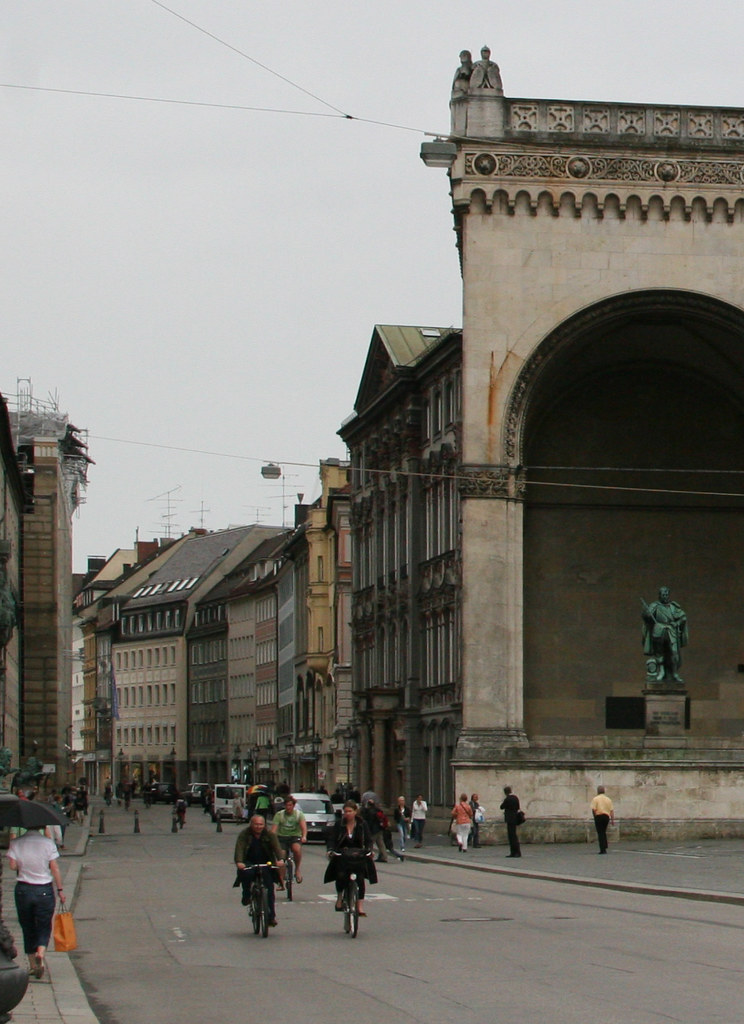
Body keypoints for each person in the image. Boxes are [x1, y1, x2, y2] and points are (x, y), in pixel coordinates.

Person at [6, 825, 66, 979]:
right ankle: (41, 952)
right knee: (44, 925)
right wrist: (60, 890)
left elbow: (12, 866)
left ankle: (32, 964)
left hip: (24, 889)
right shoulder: (48, 843)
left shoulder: (17, 842)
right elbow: (55, 867)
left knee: (27, 926)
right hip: (44, 890)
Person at [324, 800, 377, 917]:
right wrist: (330, 850)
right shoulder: (339, 824)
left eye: (350, 811)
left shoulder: (362, 824)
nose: (347, 814)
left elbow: (368, 840)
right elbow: (332, 839)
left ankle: (360, 906)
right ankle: (339, 898)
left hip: (358, 855)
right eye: (345, 811)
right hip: (342, 854)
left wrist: (369, 850)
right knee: (341, 876)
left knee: (360, 879)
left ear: (355, 812)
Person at [234, 814, 284, 927]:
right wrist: (239, 862)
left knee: (270, 889)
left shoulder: (269, 835)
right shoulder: (244, 834)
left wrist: (280, 859)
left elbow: (277, 847)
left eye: (261, 824)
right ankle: (246, 895)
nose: (258, 827)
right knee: (247, 874)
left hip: (266, 863)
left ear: (264, 825)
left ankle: (271, 917)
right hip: (249, 862)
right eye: (256, 824)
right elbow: (240, 848)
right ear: (251, 824)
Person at [642, 586, 688, 684]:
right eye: (663, 594)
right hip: (658, 630)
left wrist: (677, 623)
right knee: (659, 652)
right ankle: (661, 671)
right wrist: (647, 614)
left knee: (674, 652)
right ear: (659, 595)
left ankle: (675, 673)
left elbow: (683, 617)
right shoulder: (655, 605)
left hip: (671, 630)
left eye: (666, 594)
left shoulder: (673, 606)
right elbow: (646, 616)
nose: (665, 596)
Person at [271, 794, 307, 884]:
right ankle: (281, 879)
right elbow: (274, 830)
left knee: (296, 849)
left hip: (294, 836)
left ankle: (297, 869)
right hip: (282, 837)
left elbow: (303, 827)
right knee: (281, 856)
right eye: (286, 805)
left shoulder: (299, 814)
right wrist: (272, 839)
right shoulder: (279, 815)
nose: (288, 807)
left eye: (290, 805)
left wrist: (304, 836)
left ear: (293, 806)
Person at [591, 785, 615, 854]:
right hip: (606, 817)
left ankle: (602, 849)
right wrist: (612, 820)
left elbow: (594, 809)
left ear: (598, 791)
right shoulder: (608, 799)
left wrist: (595, 817)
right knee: (604, 831)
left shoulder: (595, 799)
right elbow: (611, 810)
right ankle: (605, 845)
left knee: (600, 833)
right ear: (604, 791)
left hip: (599, 816)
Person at [500, 785, 522, 858]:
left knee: (511, 836)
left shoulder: (508, 799)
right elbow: (518, 807)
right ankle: (517, 852)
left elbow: (501, 807)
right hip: (515, 818)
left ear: (505, 792)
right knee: (514, 835)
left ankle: (514, 852)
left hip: (510, 819)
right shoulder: (515, 798)